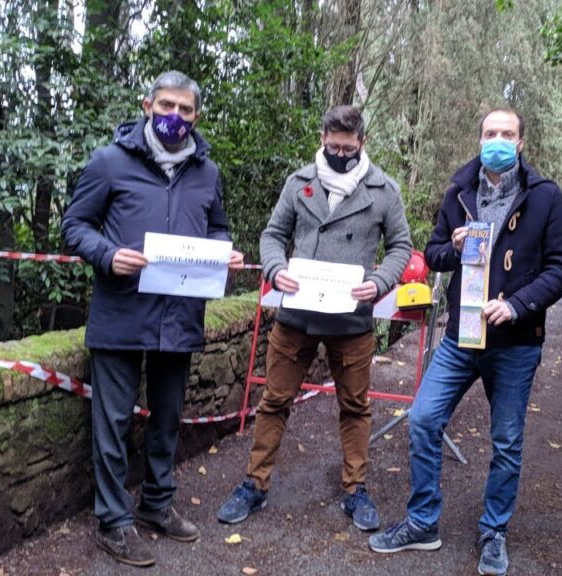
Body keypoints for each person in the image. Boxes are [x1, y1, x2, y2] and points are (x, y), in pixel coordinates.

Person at [368, 109, 562, 576]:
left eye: (507, 134)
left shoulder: (542, 197)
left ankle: (493, 531)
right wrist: (456, 248)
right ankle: (423, 521)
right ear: (479, 139)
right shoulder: (460, 192)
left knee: (505, 441)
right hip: (462, 337)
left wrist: (518, 305)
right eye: (490, 134)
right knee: (423, 419)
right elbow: (435, 253)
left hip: (516, 341)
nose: (497, 140)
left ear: (521, 143)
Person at [62, 70, 244, 567]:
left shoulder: (208, 172)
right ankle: (114, 521)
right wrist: (107, 254)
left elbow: (218, 228)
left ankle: (157, 504)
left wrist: (223, 255)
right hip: (121, 311)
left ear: (196, 116)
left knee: (167, 419)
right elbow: (74, 225)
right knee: (113, 422)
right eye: (166, 106)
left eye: (185, 110)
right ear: (147, 105)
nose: (174, 117)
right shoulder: (109, 162)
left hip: (179, 315)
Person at [217, 105, 412, 532]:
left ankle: (355, 489)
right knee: (274, 400)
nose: (340, 152)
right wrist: (274, 269)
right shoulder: (299, 183)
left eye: (348, 146)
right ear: (323, 138)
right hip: (297, 314)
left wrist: (380, 282)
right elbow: (272, 235)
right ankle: (254, 484)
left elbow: (401, 245)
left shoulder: (384, 190)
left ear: (362, 142)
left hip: (352, 318)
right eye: (333, 145)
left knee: (356, 407)